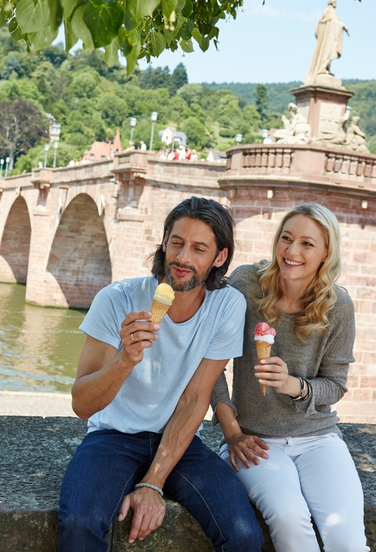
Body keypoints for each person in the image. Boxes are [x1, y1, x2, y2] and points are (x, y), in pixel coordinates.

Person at [56, 197, 262, 551]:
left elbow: (196, 398)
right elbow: (82, 404)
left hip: (179, 440)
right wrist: (125, 360)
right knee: (79, 523)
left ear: (220, 257)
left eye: (199, 249)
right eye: (177, 243)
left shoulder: (227, 306)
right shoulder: (116, 299)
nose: (183, 258)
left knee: (243, 533)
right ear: (164, 241)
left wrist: (152, 483)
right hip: (113, 436)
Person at [211, 203, 369, 552]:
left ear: (327, 252)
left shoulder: (338, 305)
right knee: (289, 518)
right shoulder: (246, 284)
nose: (292, 251)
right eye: (286, 238)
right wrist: (232, 433)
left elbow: (336, 385)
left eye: (307, 244)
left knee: (347, 541)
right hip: (255, 440)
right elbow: (210, 366)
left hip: (317, 438)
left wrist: (294, 385)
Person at [305, 0, 349, 84]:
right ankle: (322, 68)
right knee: (328, 52)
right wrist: (343, 25)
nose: (336, 3)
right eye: (335, 1)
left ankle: (325, 68)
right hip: (329, 39)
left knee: (329, 53)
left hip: (330, 37)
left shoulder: (329, 12)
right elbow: (333, 22)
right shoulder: (330, 12)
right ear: (331, 2)